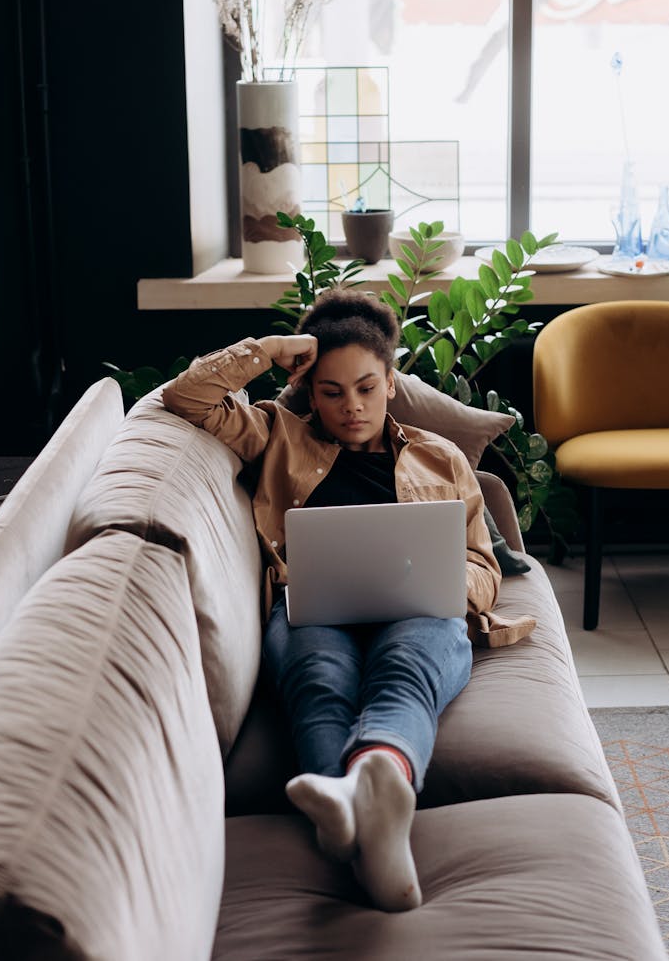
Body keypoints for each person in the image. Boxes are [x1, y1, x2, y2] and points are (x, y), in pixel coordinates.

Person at [163, 289, 531, 912]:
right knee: (317, 678)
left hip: (419, 610)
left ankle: (360, 787)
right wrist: (271, 352)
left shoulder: (440, 459)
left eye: (365, 387)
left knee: (405, 672)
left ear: (391, 382)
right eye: (331, 392)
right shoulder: (274, 434)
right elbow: (185, 398)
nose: (351, 407)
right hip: (314, 606)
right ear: (310, 391)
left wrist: (444, 585)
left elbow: (482, 564)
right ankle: (368, 811)